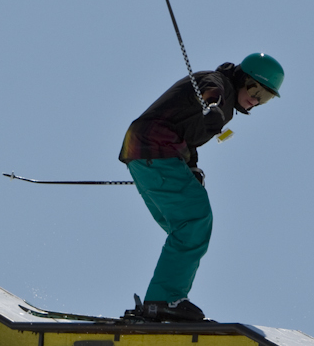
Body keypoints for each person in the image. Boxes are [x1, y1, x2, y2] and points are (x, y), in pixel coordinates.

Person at [119, 52, 284, 322]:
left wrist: (192, 168)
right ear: (241, 77)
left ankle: (161, 301)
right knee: (195, 220)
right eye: (255, 90)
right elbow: (210, 90)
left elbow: (187, 137)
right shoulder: (219, 84)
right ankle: (164, 300)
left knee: (184, 228)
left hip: (144, 152)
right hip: (156, 149)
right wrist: (214, 106)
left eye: (264, 98)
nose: (256, 100)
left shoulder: (226, 106)